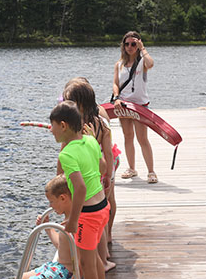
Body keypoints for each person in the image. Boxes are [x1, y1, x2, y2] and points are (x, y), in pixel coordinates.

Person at [62, 78, 118, 272]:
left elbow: (64, 155)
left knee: (92, 225)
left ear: (81, 104)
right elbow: (106, 154)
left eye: (68, 101)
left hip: (94, 173)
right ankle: (102, 259)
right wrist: (108, 177)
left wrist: (109, 177)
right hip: (98, 173)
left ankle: (98, 258)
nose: (65, 104)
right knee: (99, 221)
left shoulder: (83, 125)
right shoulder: (95, 122)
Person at [50, 100, 110, 279]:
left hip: (88, 215)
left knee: (85, 264)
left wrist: (73, 220)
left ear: (63, 125)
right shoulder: (91, 140)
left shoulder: (66, 154)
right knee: (92, 257)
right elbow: (103, 169)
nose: (50, 130)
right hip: (102, 207)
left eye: (53, 126)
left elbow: (80, 189)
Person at [112, 31, 157, 184]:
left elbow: (151, 63)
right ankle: (132, 168)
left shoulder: (142, 62)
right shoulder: (119, 64)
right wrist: (116, 98)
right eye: (127, 44)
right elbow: (115, 84)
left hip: (140, 105)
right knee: (128, 136)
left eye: (133, 44)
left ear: (138, 45)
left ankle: (151, 172)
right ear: (123, 46)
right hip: (124, 104)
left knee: (142, 138)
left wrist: (143, 48)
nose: (130, 47)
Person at [22, 174, 74, 279]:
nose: (50, 206)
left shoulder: (73, 223)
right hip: (56, 266)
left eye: (52, 202)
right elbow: (63, 246)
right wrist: (48, 228)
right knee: (20, 276)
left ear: (63, 198)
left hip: (64, 272)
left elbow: (81, 256)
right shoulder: (67, 220)